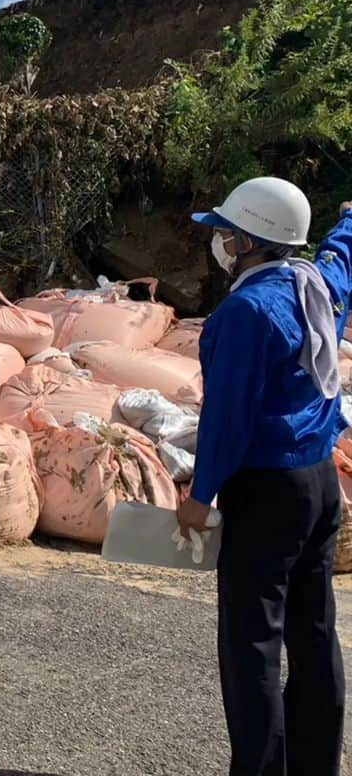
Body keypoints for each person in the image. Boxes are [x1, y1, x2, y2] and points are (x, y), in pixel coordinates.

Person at [180, 177, 352, 776]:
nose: (220, 242)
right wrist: (350, 220)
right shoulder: (316, 285)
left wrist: (200, 497)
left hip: (267, 490)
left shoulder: (246, 311)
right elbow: (342, 258)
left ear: (249, 239)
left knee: (253, 643)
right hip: (319, 483)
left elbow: (228, 418)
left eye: (226, 233)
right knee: (314, 631)